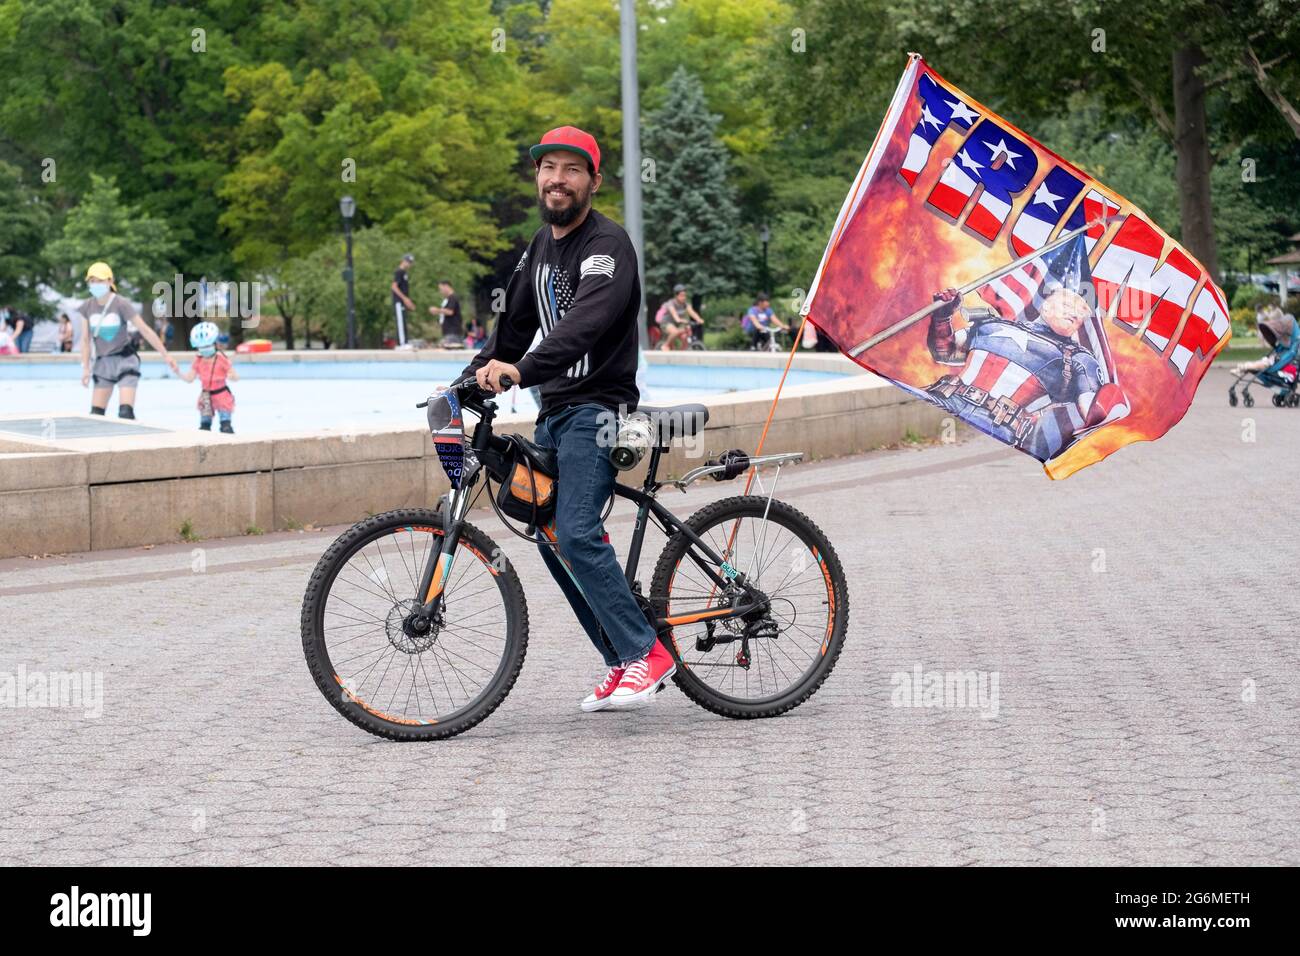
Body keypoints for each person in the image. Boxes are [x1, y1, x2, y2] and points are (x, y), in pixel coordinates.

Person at [461, 124, 675, 712]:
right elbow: (512, 332)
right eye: (548, 168)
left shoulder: (607, 247)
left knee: (578, 531)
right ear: (537, 177)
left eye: (572, 169)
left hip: (598, 410)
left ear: (593, 181)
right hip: (554, 413)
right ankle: (622, 657)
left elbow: (586, 324)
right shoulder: (539, 247)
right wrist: (469, 377)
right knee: (552, 535)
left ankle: (648, 654)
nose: (558, 179)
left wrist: (519, 372)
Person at [925, 284, 1126, 461]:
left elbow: (1091, 409)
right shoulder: (991, 324)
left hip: (998, 430)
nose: (1075, 312)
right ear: (1046, 306)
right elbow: (943, 352)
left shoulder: (1081, 360)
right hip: (940, 400)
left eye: (1082, 310)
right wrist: (942, 316)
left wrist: (1110, 408)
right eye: (1067, 305)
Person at [77, 262, 179, 418]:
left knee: (125, 413)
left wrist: (166, 355)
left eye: (100, 280)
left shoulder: (121, 303)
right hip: (103, 363)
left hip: (125, 361)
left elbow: (145, 330)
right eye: (92, 281)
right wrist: (85, 368)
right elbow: (85, 340)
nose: (96, 284)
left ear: (110, 282)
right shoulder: (87, 306)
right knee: (96, 416)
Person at [179, 321, 239, 432]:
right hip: (206, 396)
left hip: (221, 395)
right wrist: (178, 371)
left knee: (226, 426)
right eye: (201, 347)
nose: (204, 349)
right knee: (204, 427)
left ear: (215, 343)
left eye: (207, 345)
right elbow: (189, 378)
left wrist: (232, 376)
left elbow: (235, 376)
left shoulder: (222, 359)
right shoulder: (198, 360)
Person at [655, 284, 701, 350]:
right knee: (675, 332)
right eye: (681, 296)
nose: (684, 297)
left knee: (685, 337)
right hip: (666, 323)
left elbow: (692, 312)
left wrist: (699, 319)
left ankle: (681, 353)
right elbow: (675, 316)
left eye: (685, 295)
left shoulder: (685, 304)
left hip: (677, 324)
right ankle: (665, 345)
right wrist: (682, 320)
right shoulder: (671, 304)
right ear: (676, 296)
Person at [390, 253, 416, 348]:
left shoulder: (404, 273)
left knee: (403, 320)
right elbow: (394, 286)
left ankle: (405, 341)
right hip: (399, 301)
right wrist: (404, 299)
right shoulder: (399, 272)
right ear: (403, 261)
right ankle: (402, 343)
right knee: (400, 321)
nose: (409, 264)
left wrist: (408, 301)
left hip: (403, 301)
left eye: (410, 263)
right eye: (408, 262)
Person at [428, 280, 464, 347]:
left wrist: (437, 310)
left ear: (446, 286)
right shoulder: (447, 299)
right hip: (448, 331)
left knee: (446, 346)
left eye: (441, 289)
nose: (440, 292)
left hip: (453, 331)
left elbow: (450, 312)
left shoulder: (453, 298)